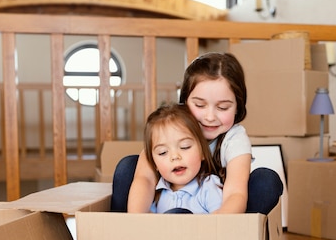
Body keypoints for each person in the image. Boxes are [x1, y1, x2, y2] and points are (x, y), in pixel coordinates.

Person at [111, 51, 282, 214]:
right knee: (128, 166)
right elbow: (145, 178)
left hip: (219, 215)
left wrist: (215, 228)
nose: (210, 117)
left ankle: (239, 238)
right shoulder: (174, 124)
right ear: (184, 101)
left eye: (223, 107)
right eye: (200, 105)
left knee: (266, 181)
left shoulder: (234, 139)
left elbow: (235, 193)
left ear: (237, 107)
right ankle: (120, 231)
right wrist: (137, 220)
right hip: (168, 213)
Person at [143, 103, 223, 214]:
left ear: (202, 152)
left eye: (185, 147)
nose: (175, 157)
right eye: (163, 152)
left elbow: (221, 224)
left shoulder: (209, 186)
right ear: (154, 164)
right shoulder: (156, 193)